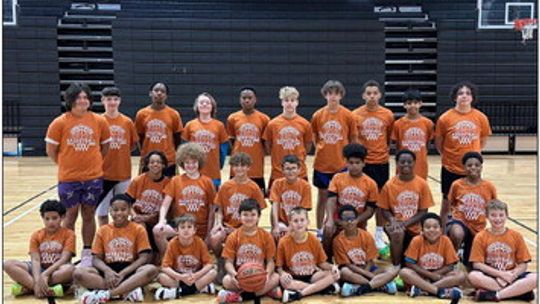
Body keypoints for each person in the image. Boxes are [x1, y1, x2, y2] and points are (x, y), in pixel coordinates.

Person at [45, 82, 111, 267]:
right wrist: (66, 163)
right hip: (69, 179)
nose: (82, 101)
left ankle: (88, 252)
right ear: (71, 100)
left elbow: (104, 147)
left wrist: (93, 162)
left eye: (85, 97)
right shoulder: (59, 122)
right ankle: (67, 253)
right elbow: (51, 150)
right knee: (70, 216)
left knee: (89, 214)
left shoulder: (99, 121)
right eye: (78, 97)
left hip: (93, 177)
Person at [74, 194, 158, 303]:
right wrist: (107, 271)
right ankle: (126, 290)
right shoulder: (103, 230)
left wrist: (123, 273)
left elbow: (143, 258)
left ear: (129, 211)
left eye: (123, 209)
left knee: (151, 269)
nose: (119, 213)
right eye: (115, 210)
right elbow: (95, 259)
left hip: (130, 270)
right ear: (110, 211)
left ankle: (107, 294)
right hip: (109, 273)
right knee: (78, 273)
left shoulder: (138, 229)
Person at [435, 81, 491, 226]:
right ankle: (442, 234)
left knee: (470, 200)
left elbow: (482, 140)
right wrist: (449, 156)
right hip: (450, 167)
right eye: (460, 93)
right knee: (447, 202)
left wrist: (473, 157)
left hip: (472, 169)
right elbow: (439, 143)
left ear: (473, 97)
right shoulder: (445, 118)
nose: (464, 96)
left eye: (468, 93)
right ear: (455, 97)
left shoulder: (481, 118)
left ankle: (469, 231)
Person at [209, 152, 267, 282]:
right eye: (236, 166)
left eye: (242, 166)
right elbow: (218, 209)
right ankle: (221, 263)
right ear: (231, 167)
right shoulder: (226, 186)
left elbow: (258, 212)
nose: (239, 169)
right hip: (227, 225)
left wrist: (246, 229)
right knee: (214, 237)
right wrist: (218, 224)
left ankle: (239, 266)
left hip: (246, 227)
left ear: (248, 167)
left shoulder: (254, 187)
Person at [153, 143, 216, 259]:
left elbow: (212, 210)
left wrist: (208, 233)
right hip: (179, 225)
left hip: (199, 227)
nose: (190, 165)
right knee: (158, 230)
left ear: (199, 162)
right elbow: (165, 205)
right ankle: (168, 259)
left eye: (193, 162)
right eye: (187, 162)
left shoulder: (207, 182)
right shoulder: (176, 180)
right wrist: (161, 221)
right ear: (182, 163)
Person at [352, 80, 394, 251]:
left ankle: (378, 234)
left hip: (381, 163)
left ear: (380, 95)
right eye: (368, 93)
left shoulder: (388, 115)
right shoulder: (355, 115)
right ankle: (360, 233)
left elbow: (389, 137)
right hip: (364, 164)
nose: (371, 96)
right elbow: (354, 139)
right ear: (363, 95)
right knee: (362, 200)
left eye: (375, 93)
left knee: (380, 202)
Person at [311, 80, 358, 231]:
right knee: (322, 198)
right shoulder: (318, 115)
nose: (333, 97)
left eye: (336, 93)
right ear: (325, 95)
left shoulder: (348, 115)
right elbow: (315, 138)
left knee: (341, 199)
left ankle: (341, 229)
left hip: (341, 165)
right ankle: (319, 230)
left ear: (341, 95)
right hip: (322, 164)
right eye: (330, 93)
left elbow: (353, 139)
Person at [468, 199, 537, 302]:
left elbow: (523, 264)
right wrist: (501, 275)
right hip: (491, 276)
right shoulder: (480, 236)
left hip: (512, 275)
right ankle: (517, 292)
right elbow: (477, 264)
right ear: (487, 216)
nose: (498, 219)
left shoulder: (516, 236)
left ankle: (496, 295)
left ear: (507, 216)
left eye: (501, 215)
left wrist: (512, 275)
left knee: (536, 278)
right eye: (493, 215)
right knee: (473, 276)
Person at [4, 200, 75, 298]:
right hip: (38, 269)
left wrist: (45, 274)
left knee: (70, 270)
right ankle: (43, 289)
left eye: (54, 218)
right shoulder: (36, 235)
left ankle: (28, 287)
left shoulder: (69, 234)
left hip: (56, 270)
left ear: (62, 217)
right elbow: (35, 260)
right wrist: (38, 280)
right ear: (42, 218)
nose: (51, 222)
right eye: (47, 218)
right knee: (8, 264)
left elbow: (64, 259)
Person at [217, 199, 281, 303]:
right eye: (245, 215)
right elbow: (228, 262)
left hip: (259, 276)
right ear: (239, 216)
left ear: (259, 217)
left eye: (253, 214)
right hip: (241, 277)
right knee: (226, 281)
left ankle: (240, 297)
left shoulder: (266, 236)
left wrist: (267, 275)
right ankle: (265, 292)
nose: (249, 218)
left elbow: (270, 261)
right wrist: (234, 274)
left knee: (276, 277)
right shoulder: (234, 236)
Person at [377, 150, 434, 267]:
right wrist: (393, 220)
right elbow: (384, 209)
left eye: (409, 162)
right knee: (397, 233)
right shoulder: (389, 185)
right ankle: (396, 267)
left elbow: (423, 211)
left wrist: (406, 223)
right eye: (402, 162)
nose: (406, 165)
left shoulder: (422, 184)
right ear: (397, 163)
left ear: (414, 163)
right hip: (395, 224)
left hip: (415, 225)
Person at [323, 143, 378, 257]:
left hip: (358, 223)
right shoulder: (338, 178)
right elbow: (331, 200)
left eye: (357, 163)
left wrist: (357, 220)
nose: (354, 166)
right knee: (328, 229)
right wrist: (330, 218)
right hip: (339, 221)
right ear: (346, 163)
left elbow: (370, 210)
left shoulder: (371, 183)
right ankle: (326, 258)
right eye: (351, 163)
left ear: (364, 163)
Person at [276, 207, 340, 303]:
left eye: (302, 220)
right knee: (284, 282)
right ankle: (321, 288)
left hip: (312, 276)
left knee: (334, 275)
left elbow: (322, 264)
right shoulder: (283, 242)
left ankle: (299, 294)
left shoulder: (314, 240)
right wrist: (283, 273)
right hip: (294, 277)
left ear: (308, 222)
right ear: (290, 223)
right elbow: (279, 267)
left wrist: (332, 267)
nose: (299, 223)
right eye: (295, 221)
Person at [335, 205, 399, 297]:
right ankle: (379, 285)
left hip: (368, 269)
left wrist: (366, 273)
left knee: (389, 270)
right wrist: (370, 276)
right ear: (340, 221)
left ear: (357, 219)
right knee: (344, 272)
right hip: (353, 271)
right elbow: (347, 264)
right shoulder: (338, 240)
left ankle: (357, 288)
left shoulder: (366, 236)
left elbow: (370, 261)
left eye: (352, 218)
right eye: (346, 219)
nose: (349, 222)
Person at [97, 87, 139, 226]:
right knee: (102, 212)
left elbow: (132, 145)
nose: (112, 102)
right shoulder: (98, 121)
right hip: (103, 175)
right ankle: (103, 240)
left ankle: (122, 238)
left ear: (119, 101)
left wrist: (118, 151)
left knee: (123, 211)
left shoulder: (127, 122)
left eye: (115, 99)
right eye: (109, 99)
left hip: (123, 174)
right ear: (102, 101)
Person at [399, 213, 465, 301]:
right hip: (421, 276)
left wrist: (435, 275)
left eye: (435, 227)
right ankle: (438, 291)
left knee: (461, 275)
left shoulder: (446, 240)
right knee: (404, 272)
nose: (432, 230)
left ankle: (423, 290)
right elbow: (409, 264)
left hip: (439, 276)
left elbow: (450, 266)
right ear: (421, 230)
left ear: (441, 229)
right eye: (427, 227)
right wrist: (430, 275)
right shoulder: (417, 240)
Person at [446, 152, 497, 267]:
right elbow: (451, 203)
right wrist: (449, 220)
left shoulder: (489, 186)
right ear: (464, 167)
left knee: (472, 265)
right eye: (469, 165)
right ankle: (452, 258)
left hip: (478, 226)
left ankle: (464, 253)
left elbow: (493, 207)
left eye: (476, 165)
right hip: (461, 222)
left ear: (481, 167)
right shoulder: (457, 185)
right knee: (457, 233)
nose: (473, 167)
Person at [154, 214, 217, 300]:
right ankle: (199, 289)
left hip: (194, 277)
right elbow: (165, 267)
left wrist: (196, 275)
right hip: (179, 278)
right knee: (161, 277)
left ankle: (177, 292)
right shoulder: (172, 243)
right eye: (182, 227)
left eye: (189, 227)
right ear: (176, 230)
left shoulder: (199, 242)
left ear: (194, 230)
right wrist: (180, 277)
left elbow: (209, 264)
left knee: (213, 273)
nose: (186, 230)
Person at [262, 86, 312, 191]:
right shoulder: (273, 124)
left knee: (299, 203)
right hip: (278, 172)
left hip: (299, 172)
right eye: (286, 100)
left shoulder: (305, 124)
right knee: (275, 202)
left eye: (292, 100)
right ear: (282, 102)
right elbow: (267, 145)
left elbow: (307, 145)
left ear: (297, 102)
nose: (289, 103)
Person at [126, 150, 171, 258]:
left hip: (157, 220)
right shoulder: (138, 180)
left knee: (160, 230)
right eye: (152, 162)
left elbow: (168, 208)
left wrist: (150, 217)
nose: (155, 164)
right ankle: (141, 255)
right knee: (140, 226)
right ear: (147, 164)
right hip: (139, 219)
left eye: (158, 162)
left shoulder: (168, 183)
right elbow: (127, 202)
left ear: (163, 165)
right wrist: (135, 215)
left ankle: (162, 257)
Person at [227, 86, 270, 194]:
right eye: (244, 98)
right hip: (237, 166)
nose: (247, 100)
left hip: (256, 167)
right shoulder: (232, 118)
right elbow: (231, 140)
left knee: (257, 198)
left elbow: (265, 142)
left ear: (255, 99)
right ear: (240, 99)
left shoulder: (264, 119)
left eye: (250, 98)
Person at [135, 82, 183, 177]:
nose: (159, 93)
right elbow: (139, 137)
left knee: (169, 191)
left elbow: (177, 137)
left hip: (168, 161)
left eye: (163, 91)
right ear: (150, 93)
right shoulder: (141, 114)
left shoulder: (173, 114)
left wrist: (171, 152)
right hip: (148, 161)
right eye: (156, 90)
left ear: (166, 95)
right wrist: (145, 153)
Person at [182, 92, 229, 188]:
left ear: (212, 106)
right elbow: (184, 150)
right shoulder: (190, 125)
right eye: (201, 102)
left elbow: (224, 148)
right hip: (194, 171)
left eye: (207, 103)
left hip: (213, 172)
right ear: (196, 106)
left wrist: (220, 164)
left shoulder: (219, 125)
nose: (204, 104)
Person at [391, 88, 434, 180]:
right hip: (403, 164)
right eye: (409, 103)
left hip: (421, 165)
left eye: (415, 103)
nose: (412, 105)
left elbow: (428, 144)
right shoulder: (398, 124)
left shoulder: (428, 123)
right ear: (404, 105)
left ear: (420, 104)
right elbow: (397, 145)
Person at [269, 155, 312, 241]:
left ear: (299, 170)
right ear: (282, 170)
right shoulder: (277, 184)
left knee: (298, 235)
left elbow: (303, 211)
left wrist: (291, 228)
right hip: (282, 222)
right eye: (287, 169)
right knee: (277, 234)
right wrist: (276, 226)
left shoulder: (305, 186)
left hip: (298, 221)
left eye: (293, 168)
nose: (290, 171)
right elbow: (274, 205)